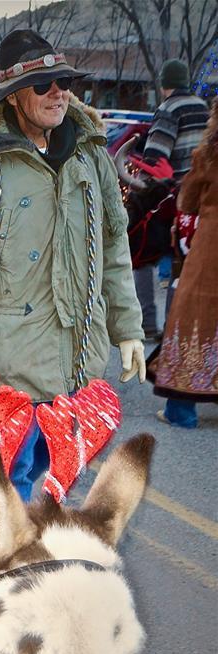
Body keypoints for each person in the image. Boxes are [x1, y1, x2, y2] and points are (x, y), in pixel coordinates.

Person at [0, 29, 145, 501]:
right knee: (12, 500)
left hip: (78, 364)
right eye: (43, 84)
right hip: (11, 370)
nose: (58, 92)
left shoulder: (90, 157)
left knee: (55, 496)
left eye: (63, 80)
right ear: (13, 96)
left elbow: (113, 248)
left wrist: (128, 328)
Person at [149, 99, 217, 428]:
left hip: (211, 251)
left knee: (194, 318)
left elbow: (187, 199)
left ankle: (182, 410)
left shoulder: (207, 156)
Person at [132, 59, 209, 343]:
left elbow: (155, 158)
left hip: (171, 197)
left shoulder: (168, 109)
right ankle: (175, 328)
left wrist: (142, 195)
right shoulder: (203, 108)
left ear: (165, 84)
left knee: (140, 255)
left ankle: (147, 324)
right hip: (201, 200)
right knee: (182, 261)